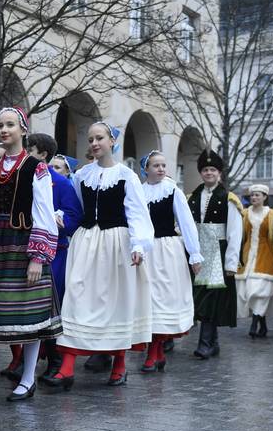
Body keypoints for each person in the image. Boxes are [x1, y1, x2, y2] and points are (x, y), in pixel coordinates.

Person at [44, 121, 153, 390]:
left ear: (111, 141)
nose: (94, 143)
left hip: (116, 243)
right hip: (86, 242)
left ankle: (119, 364)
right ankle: (67, 367)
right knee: (76, 298)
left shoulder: (126, 176)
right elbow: (77, 209)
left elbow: (138, 214)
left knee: (115, 304)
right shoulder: (82, 175)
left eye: (99, 138)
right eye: (90, 139)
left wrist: (138, 245)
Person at [0, 107, 60, 401]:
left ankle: (29, 377)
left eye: (10, 125)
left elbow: (45, 212)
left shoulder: (37, 167)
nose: (4, 130)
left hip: (25, 242)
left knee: (28, 312)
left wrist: (38, 256)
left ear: (23, 130)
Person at [26, 134, 82, 383]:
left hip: (55, 252)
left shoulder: (60, 183)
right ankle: (24, 361)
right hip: (25, 249)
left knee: (51, 305)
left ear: (43, 154)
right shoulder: (23, 176)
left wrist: (60, 221)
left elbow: (73, 215)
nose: (26, 152)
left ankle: (54, 360)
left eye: (31, 150)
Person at [139, 151, 202, 371]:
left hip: (167, 251)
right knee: (147, 301)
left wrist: (194, 254)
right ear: (146, 169)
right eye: (156, 165)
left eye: (164, 165)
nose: (161, 169)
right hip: (146, 251)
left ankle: (154, 352)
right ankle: (154, 352)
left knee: (162, 300)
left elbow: (187, 223)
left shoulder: (172, 190)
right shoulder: (138, 191)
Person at [188, 149, 242, 358]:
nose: (208, 173)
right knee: (197, 295)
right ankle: (213, 341)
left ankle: (206, 343)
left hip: (217, 251)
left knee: (211, 298)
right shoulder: (193, 197)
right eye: (205, 170)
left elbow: (235, 232)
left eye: (212, 170)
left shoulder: (229, 198)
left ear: (219, 173)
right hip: (197, 251)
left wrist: (231, 262)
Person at [237, 184, 273, 339]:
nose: (254, 198)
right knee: (247, 291)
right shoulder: (244, 214)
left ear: (264, 197)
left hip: (266, 256)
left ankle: (254, 323)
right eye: (252, 195)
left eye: (257, 195)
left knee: (260, 290)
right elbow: (239, 235)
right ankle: (262, 325)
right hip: (247, 255)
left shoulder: (272, 214)